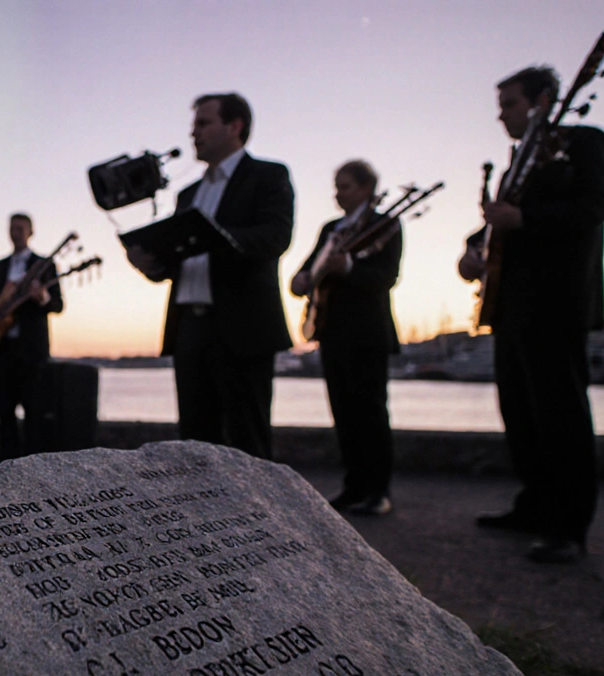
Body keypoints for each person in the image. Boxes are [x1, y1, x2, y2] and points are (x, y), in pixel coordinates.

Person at [459, 66, 604, 564]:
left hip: (557, 304)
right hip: (509, 307)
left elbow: (594, 207)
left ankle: (568, 527)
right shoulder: (514, 167)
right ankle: (534, 506)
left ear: (543, 99)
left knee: (560, 414)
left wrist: (523, 218)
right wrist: (472, 252)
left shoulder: (586, 141)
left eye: (509, 103)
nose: (501, 114)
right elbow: (496, 228)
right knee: (521, 413)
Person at [126, 92, 294, 459]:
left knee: (248, 441)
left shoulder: (268, 175)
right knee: (195, 442)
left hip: (242, 327)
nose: (194, 134)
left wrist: (213, 236)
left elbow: (276, 237)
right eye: (193, 126)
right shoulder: (188, 194)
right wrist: (150, 262)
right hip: (189, 328)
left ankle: (258, 517)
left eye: (203, 124)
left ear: (235, 126)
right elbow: (179, 262)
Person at [290, 160, 402, 516]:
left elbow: (386, 276)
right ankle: (354, 486)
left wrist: (350, 268)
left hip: (368, 332)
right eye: (337, 186)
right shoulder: (330, 229)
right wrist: (302, 280)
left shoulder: (385, 224)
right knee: (344, 412)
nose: (339, 193)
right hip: (331, 331)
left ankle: (377, 490)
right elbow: (305, 272)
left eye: (347, 186)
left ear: (368, 188)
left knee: (370, 412)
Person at [0, 213, 63, 460]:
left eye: (21, 228)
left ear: (30, 232)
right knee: (4, 411)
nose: (16, 233)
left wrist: (42, 297)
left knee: (34, 410)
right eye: (12, 228)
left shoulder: (44, 265)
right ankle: (6, 465)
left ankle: (33, 465)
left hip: (32, 350)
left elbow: (57, 304)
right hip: (2, 348)